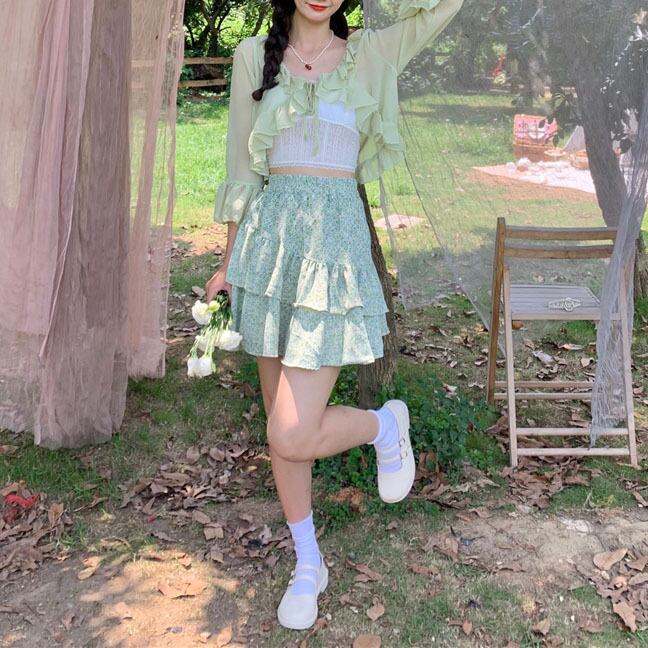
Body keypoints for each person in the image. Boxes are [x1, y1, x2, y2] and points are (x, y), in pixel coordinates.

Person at [204, 0, 464, 631]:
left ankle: (384, 425)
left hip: (332, 255)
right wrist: (229, 261)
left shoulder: (372, 52)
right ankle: (307, 562)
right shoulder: (252, 57)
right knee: (280, 429)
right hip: (270, 253)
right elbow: (241, 166)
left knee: (292, 431)